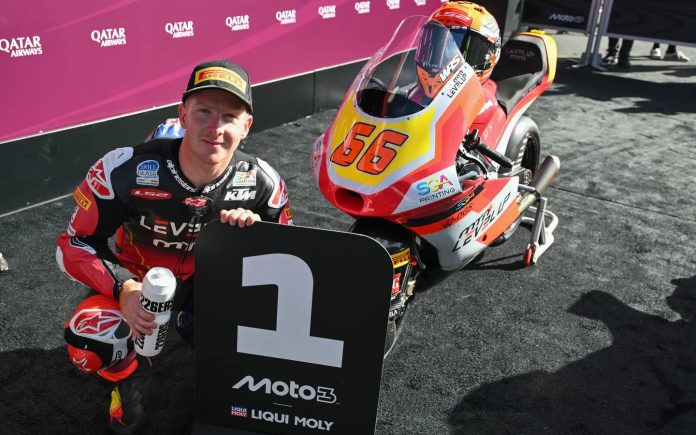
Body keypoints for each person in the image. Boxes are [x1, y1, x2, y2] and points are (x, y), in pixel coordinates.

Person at [56, 59, 293, 435]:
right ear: (183, 115)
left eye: (229, 116)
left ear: (246, 126)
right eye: (204, 112)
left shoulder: (264, 182)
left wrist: (256, 236)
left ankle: (215, 358)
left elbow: (291, 264)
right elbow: (73, 243)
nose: (215, 127)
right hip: (139, 280)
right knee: (89, 337)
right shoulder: (124, 167)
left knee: (268, 329)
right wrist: (123, 288)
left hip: (211, 285)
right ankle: (127, 380)